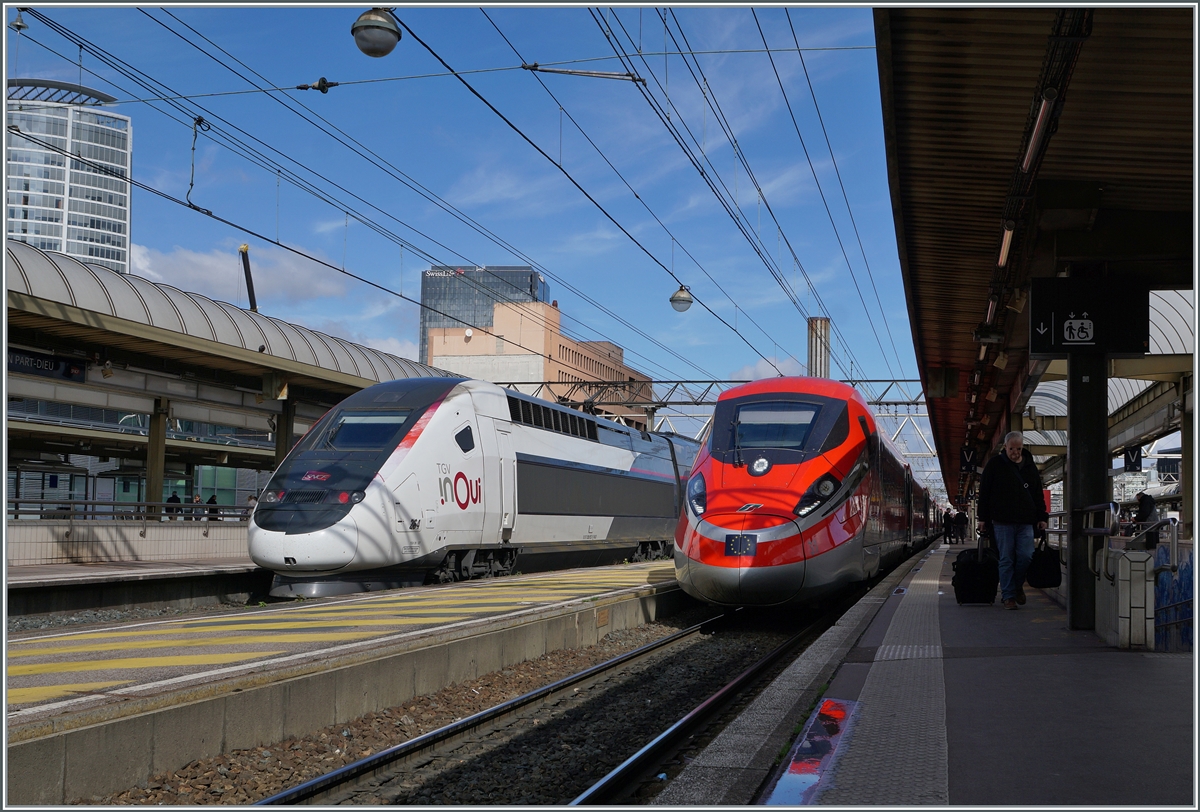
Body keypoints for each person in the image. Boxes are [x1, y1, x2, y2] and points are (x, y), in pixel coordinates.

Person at [977, 431, 1049, 610]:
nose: (1015, 452)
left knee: (1026, 556)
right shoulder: (995, 465)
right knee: (1006, 559)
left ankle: (1016, 586)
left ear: (1022, 447)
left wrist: (1042, 516)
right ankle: (1008, 596)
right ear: (1005, 448)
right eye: (1012, 449)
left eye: (1018, 448)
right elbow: (984, 493)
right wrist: (982, 518)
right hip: (1002, 521)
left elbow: (1037, 494)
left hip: (1026, 521)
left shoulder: (1030, 466)